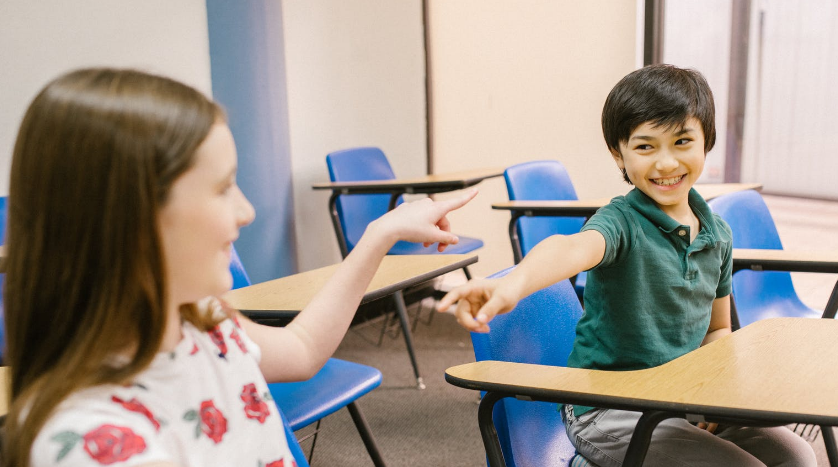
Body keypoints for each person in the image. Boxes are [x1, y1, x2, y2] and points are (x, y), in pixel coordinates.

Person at [2, 67, 477, 467]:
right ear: (130, 219)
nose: (246, 211)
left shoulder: (203, 325)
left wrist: (382, 233)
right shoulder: (94, 444)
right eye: (224, 187)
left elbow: (303, 346)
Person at [439, 64, 816, 466]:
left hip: (676, 398)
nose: (666, 163)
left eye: (682, 141)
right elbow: (570, 248)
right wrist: (511, 285)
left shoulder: (717, 234)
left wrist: (716, 397)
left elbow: (717, 330)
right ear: (618, 153)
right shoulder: (621, 222)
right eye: (645, 147)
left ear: (707, 142)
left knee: (797, 455)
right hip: (606, 409)